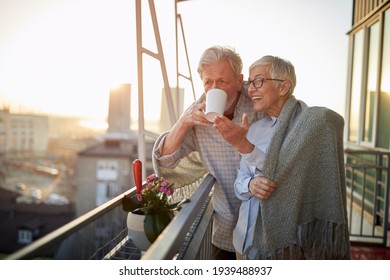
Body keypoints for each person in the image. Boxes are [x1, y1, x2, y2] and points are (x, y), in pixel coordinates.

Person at [214, 55, 351, 259]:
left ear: (283, 87)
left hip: (286, 248)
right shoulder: (254, 129)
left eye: (258, 81)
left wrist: (243, 145)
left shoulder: (309, 125)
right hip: (243, 242)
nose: (251, 89)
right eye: (249, 83)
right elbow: (239, 183)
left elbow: (283, 175)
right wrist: (250, 185)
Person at [152, 46, 275, 260]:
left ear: (239, 80)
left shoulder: (258, 100)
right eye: (208, 82)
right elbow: (165, 162)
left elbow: (289, 126)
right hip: (226, 227)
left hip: (267, 226)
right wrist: (183, 122)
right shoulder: (197, 114)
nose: (214, 88)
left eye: (223, 81)